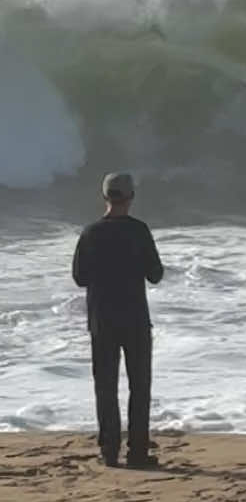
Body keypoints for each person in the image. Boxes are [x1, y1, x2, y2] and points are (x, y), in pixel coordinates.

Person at [71, 172, 164, 469]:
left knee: (106, 386)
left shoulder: (91, 233)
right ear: (131, 197)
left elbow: (79, 277)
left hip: (103, 320)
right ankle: (137, 452)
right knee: (140, 386)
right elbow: (156, 274)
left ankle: (109, 451)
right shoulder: (139, 231)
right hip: (135, 318)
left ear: (105, 197)